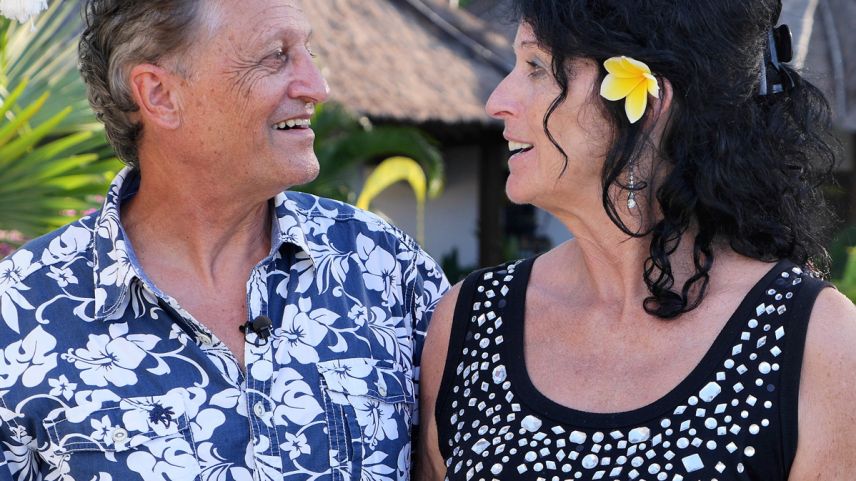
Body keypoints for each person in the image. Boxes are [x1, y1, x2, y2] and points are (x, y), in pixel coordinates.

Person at [0, 1, 449, 480]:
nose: (317, 87)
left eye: (308, 52)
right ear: (159, 94)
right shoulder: (19, 310)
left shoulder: (387, 268)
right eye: (275, 56)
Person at [417, 0, 856, 480]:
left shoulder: (816, 342)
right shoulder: (471, 323)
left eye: (536, 67)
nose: (497, 100)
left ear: (645, 102)